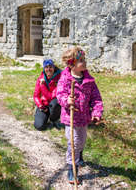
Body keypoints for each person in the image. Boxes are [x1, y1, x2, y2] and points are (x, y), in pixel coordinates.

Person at [56, 47, 103, 184]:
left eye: (84, 59)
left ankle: (78, 155)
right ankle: (73, 169)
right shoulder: (65, 78)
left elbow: (96, 98)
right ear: (72, 64)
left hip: (84, 118)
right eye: (81, 60)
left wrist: (96, 112)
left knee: (81, 142)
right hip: (70, 118)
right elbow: (60, 94)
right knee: (74, 143)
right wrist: (67, 100)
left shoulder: (89, 80)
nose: (84, 62)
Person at [33, 59, 62, 130]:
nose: (48, 69)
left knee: (56, 103)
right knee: (39, 126)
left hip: (54, 104)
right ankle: (46, 117)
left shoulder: (59, 78)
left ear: (54, 68)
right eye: (46, 67)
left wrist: (42, 85)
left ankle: (54, 119)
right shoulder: (40, 78)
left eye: (50, 67)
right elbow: (36, 96)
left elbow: (50, 96)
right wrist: (40, 105)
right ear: (44, 69)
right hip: (44, 104)